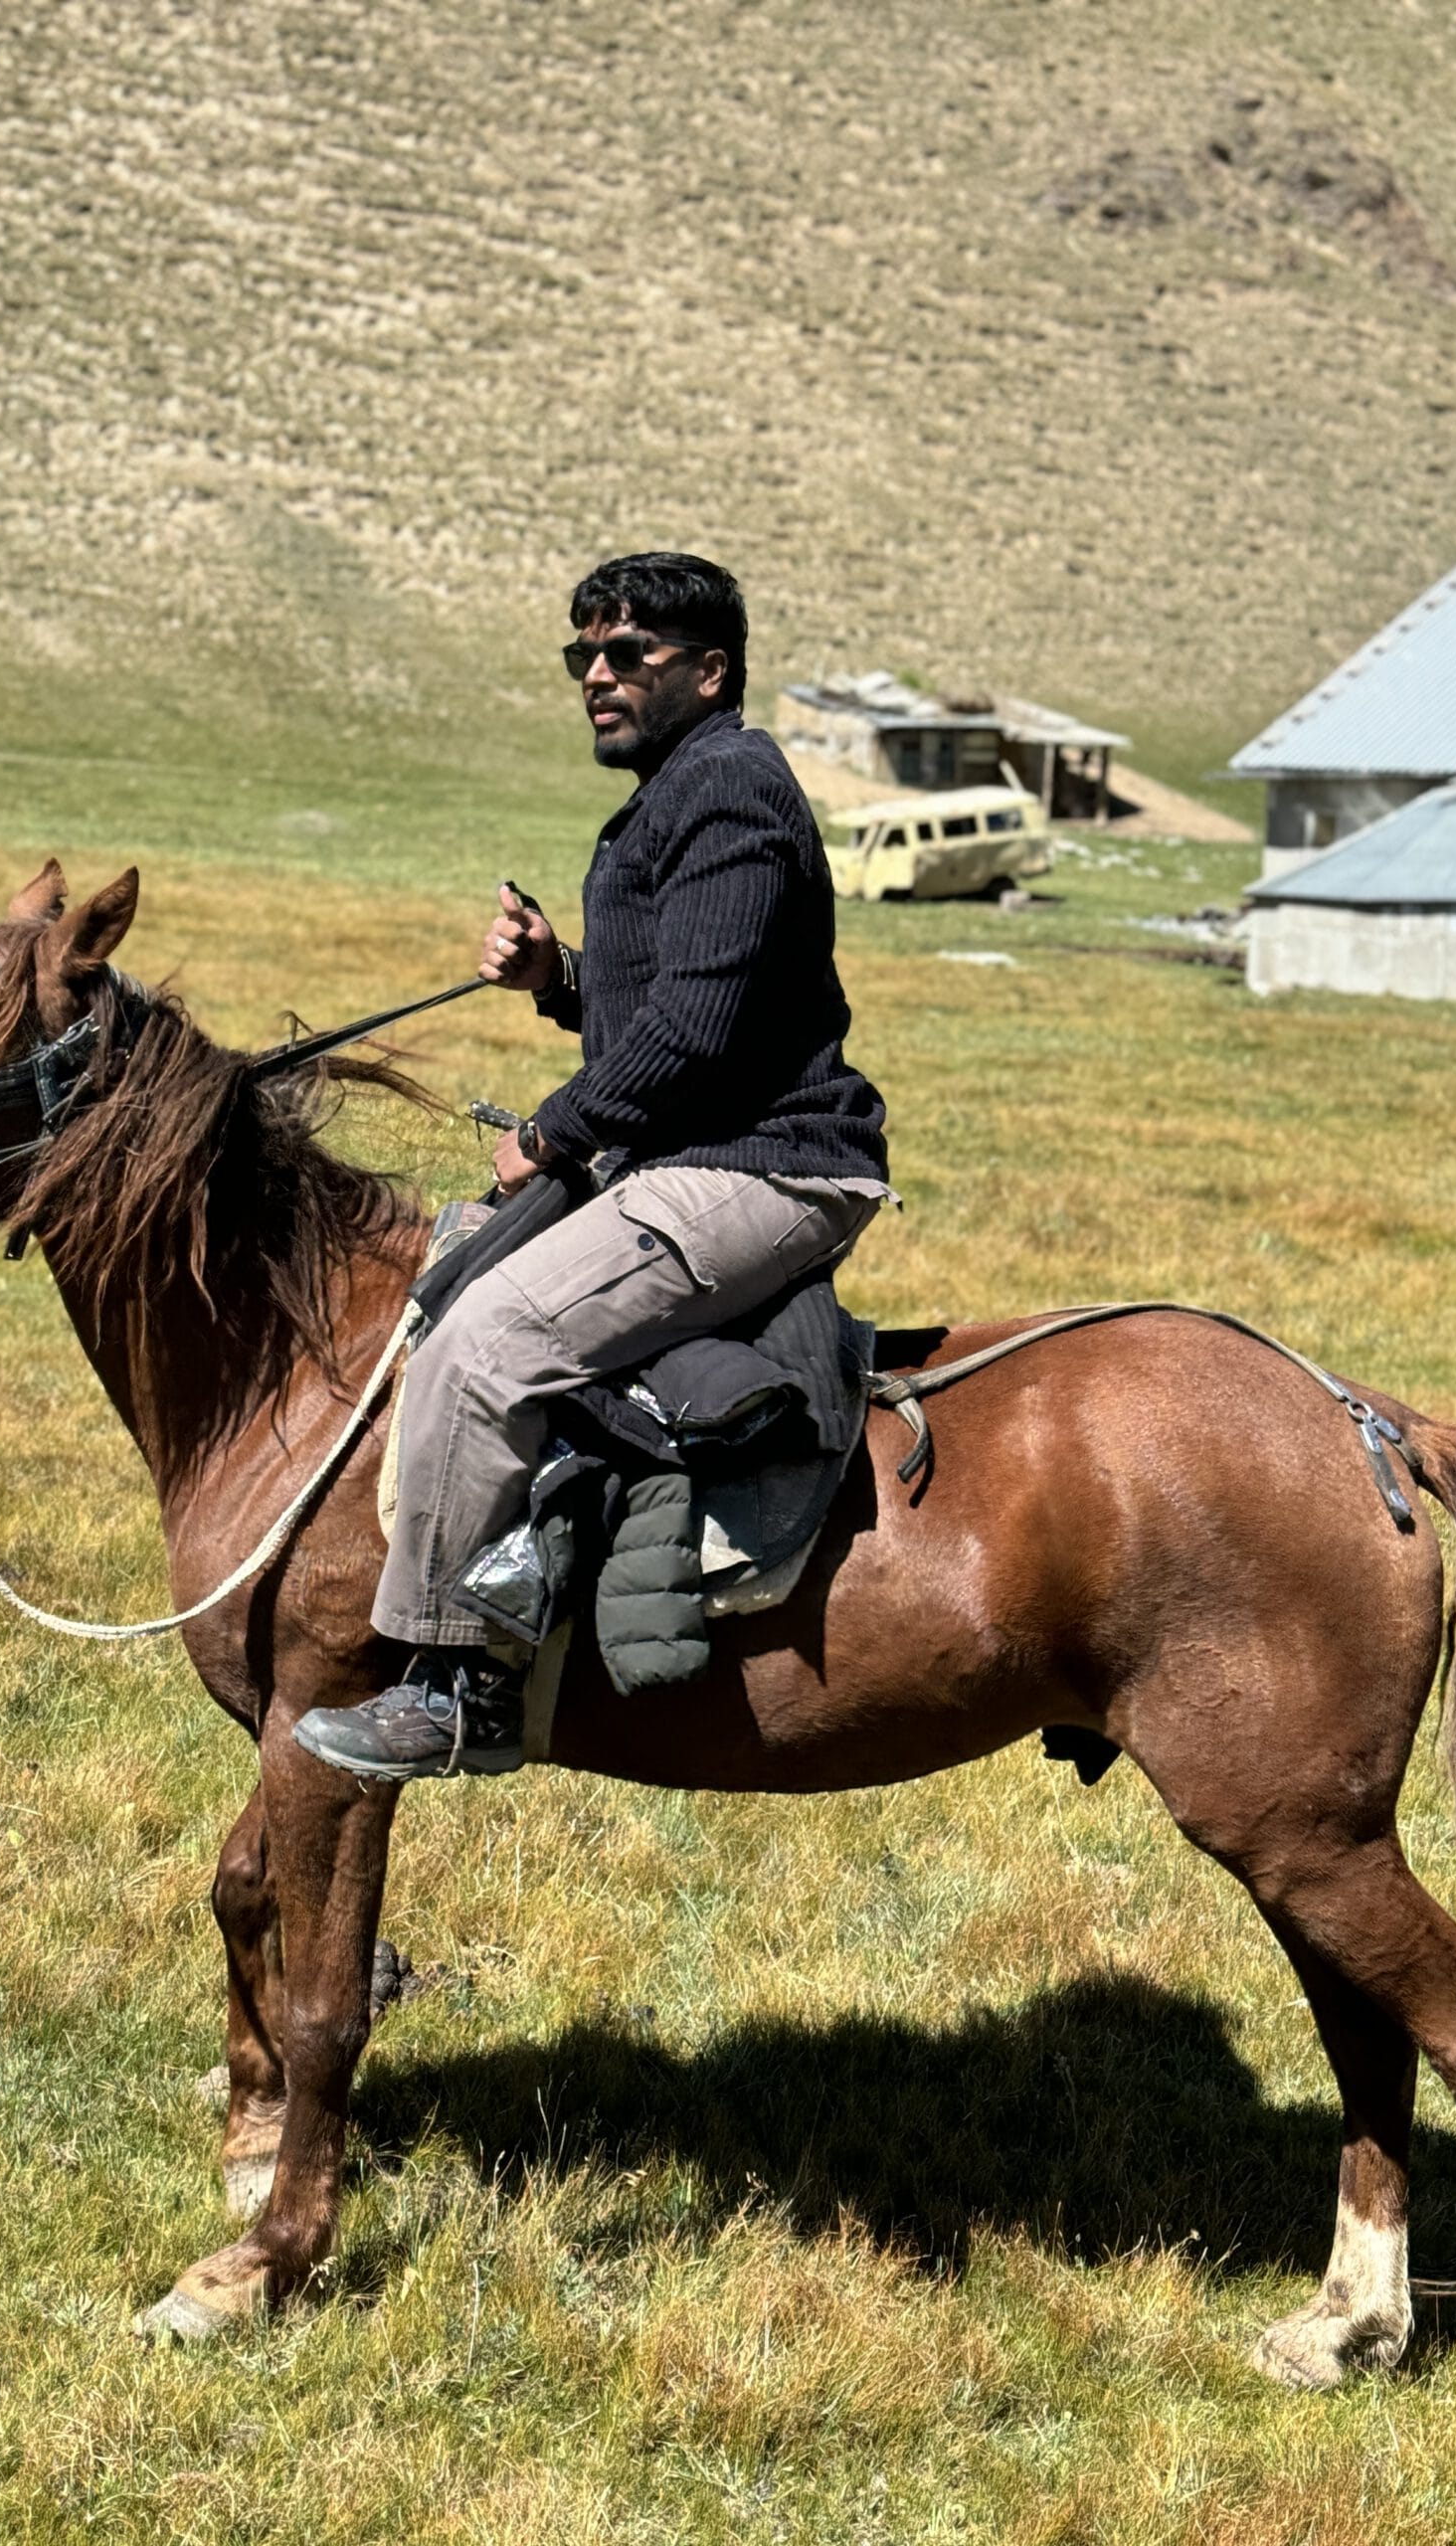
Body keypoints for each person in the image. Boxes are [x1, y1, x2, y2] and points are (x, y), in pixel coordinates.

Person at [294, 553, 890, 1781]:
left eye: (629, 654)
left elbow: (700, 1033)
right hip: (696, 1145)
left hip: (768, 1167)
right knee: (456, 1282)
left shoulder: (730, 789)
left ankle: (464, 1688)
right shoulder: (675, 794)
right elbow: (668, 1006)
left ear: (711, 670)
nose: (598, 677)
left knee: (492, 1341)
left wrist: (554, 1130)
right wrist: (557, 980)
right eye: (583, 657)